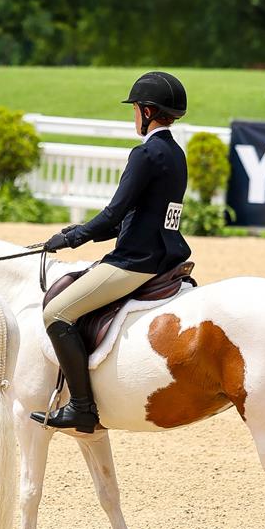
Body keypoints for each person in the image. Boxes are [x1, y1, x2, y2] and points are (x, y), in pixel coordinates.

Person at [33, 71, 192, 435]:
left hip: (137, 263)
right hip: (166, 256)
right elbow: (135, 217)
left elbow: (115, 213)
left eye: (136, 109)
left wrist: (72, 240)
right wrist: (77, 232)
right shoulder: (175, 154)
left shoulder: (145, 153)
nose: (134, 116)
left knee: (57, 313)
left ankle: (81, 406)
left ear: (148, 111)